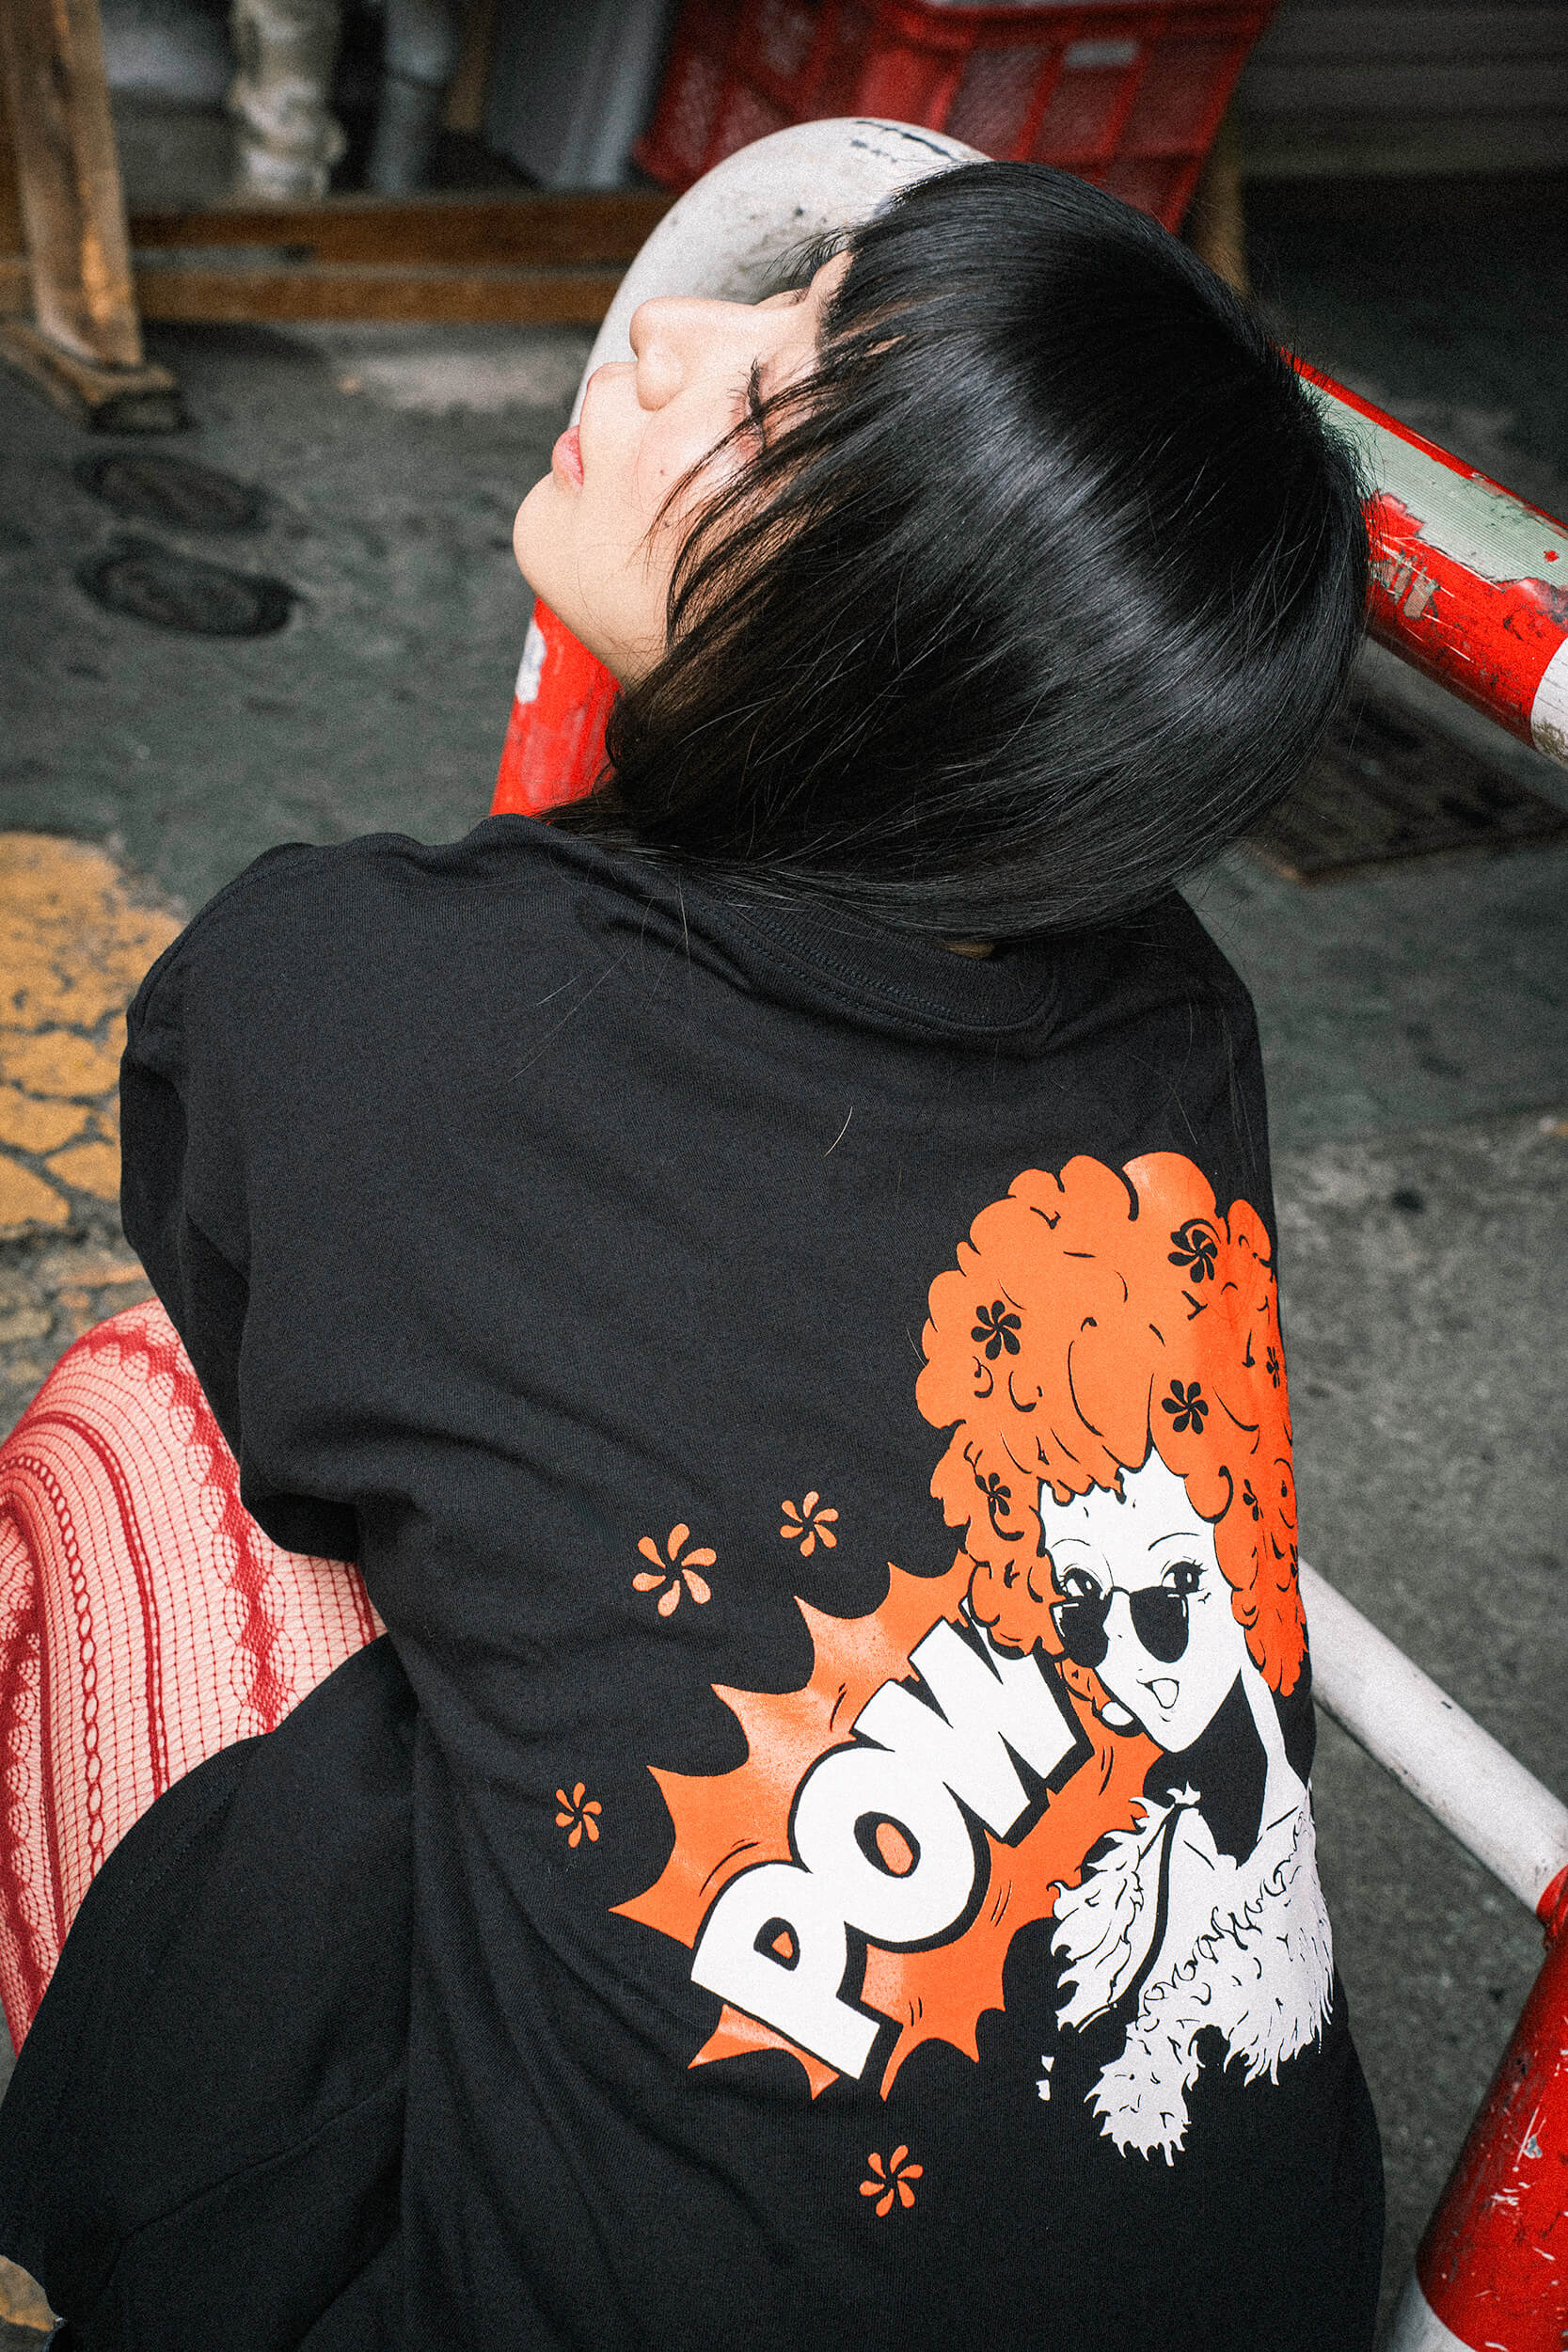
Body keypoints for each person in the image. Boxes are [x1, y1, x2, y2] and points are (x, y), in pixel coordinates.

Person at [0, 161, 1381, 2349]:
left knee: (125, 1411)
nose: (664, 337)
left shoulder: (359, 990)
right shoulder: (1180, 1017)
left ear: (905, 649)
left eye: (773, 410)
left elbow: (285, 1424)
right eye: (784, 300)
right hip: (1266, 2281)